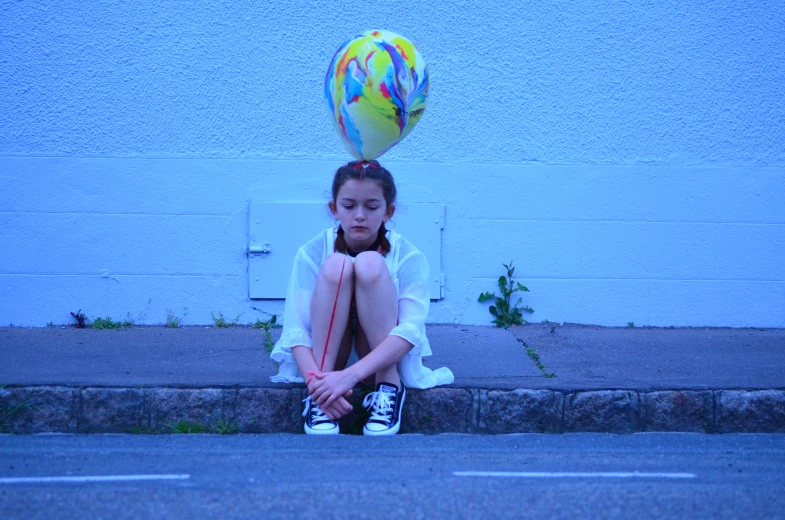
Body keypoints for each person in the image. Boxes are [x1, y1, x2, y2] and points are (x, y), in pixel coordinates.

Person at [270, 159, 454, 435]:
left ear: (388, 211)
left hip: (379, 361)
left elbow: (411, 331)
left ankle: (388, 388)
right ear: (333, 209)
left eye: (371, 207)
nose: (359, 216)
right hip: (329, 359)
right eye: (348, 206)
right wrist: (316, 386)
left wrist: (349, 377)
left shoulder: (408, 255)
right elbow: (295, 329)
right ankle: (320, 400)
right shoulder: (311, 251)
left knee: (370, 263)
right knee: (336, 264)